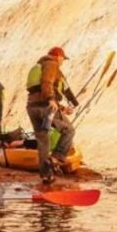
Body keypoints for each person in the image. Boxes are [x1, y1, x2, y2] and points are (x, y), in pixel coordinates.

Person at [26, 46, 80, 183]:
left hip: (32, 107)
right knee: (69, 130)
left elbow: (39, 93)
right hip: (45, 107)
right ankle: (57, 157)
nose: (63, 62)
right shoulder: (52, 64)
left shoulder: (39, 65)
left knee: (43, 141)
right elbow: (47, 83)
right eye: (63, 59)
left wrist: (61, 108)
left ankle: (46, 175)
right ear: (58, 56)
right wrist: (51, 99)